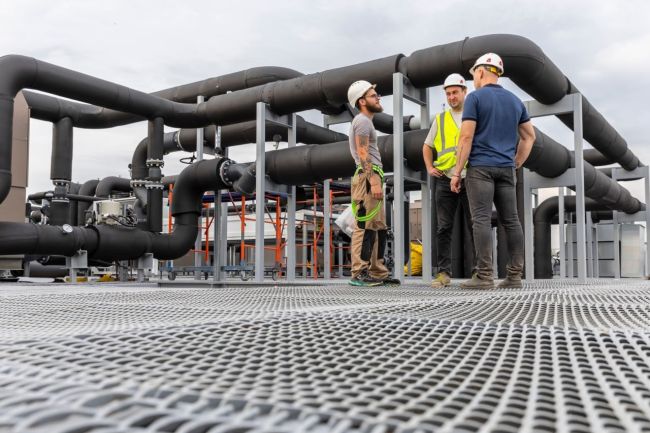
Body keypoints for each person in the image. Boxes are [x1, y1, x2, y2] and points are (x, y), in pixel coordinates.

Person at [450, 53, 536, 289]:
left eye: (474, 75)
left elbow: (466, 136)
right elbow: (529, 137)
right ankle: (515, 276)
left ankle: (485, 276)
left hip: (480, 169)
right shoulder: (515, 101)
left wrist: (457, 172)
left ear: (480, 72)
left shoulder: (475, 98)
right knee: (512, 220)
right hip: (506, 169)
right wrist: (516, 162)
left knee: (481, 220)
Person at [422, 73, 475, 288]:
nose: (452, 96)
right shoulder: (440, 119)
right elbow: (427, 146)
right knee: (443, 227)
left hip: (470, 177)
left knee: (476, 226)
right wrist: (429, 167)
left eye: (455, 92)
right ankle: (443, 273)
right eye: (448, 93)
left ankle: (480, 272)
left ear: (464, 92)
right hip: (445, 179)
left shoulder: (473, 116)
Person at [346, 80, 398, 286]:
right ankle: (359, 272)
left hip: (372, 176)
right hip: (368, 178)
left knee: (378, 226)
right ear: (362, 101)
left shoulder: (366, 122)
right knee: (364, 224)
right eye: (373, 95)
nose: (378, 97)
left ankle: (377, 272)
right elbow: (362, 152)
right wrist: (374, 180)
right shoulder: (362, 121)